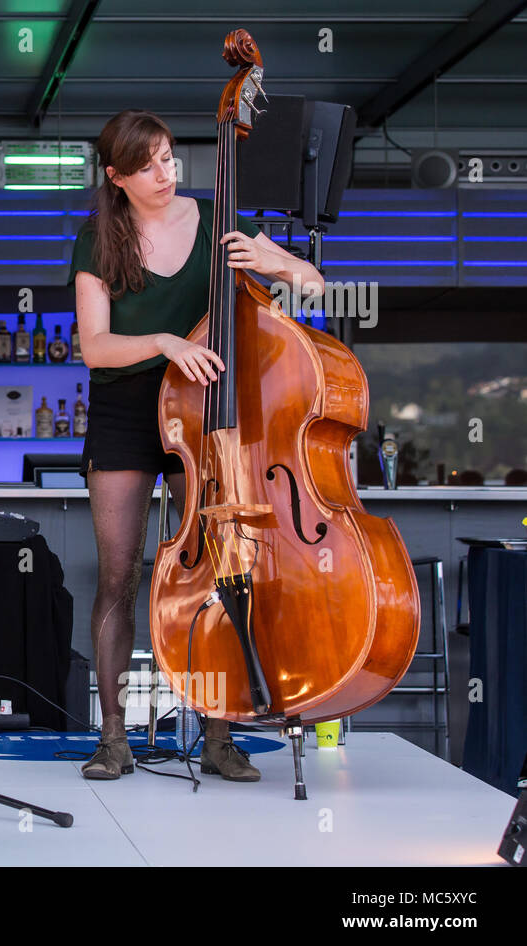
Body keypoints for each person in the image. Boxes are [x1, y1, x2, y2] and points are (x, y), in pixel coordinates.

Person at [70, 109, 324, 782]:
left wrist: (284, 262)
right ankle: (113, 737)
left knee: (219, 574)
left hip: (207, 413)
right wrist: (164, 342)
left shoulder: (220, 222)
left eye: (168, 157)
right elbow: (95, 347)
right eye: (147, 163)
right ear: (117, 176)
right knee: (118, 579)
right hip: (126, 412)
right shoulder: (99, 236)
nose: (165, 172)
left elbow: (318, 289)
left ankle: (219, 735)